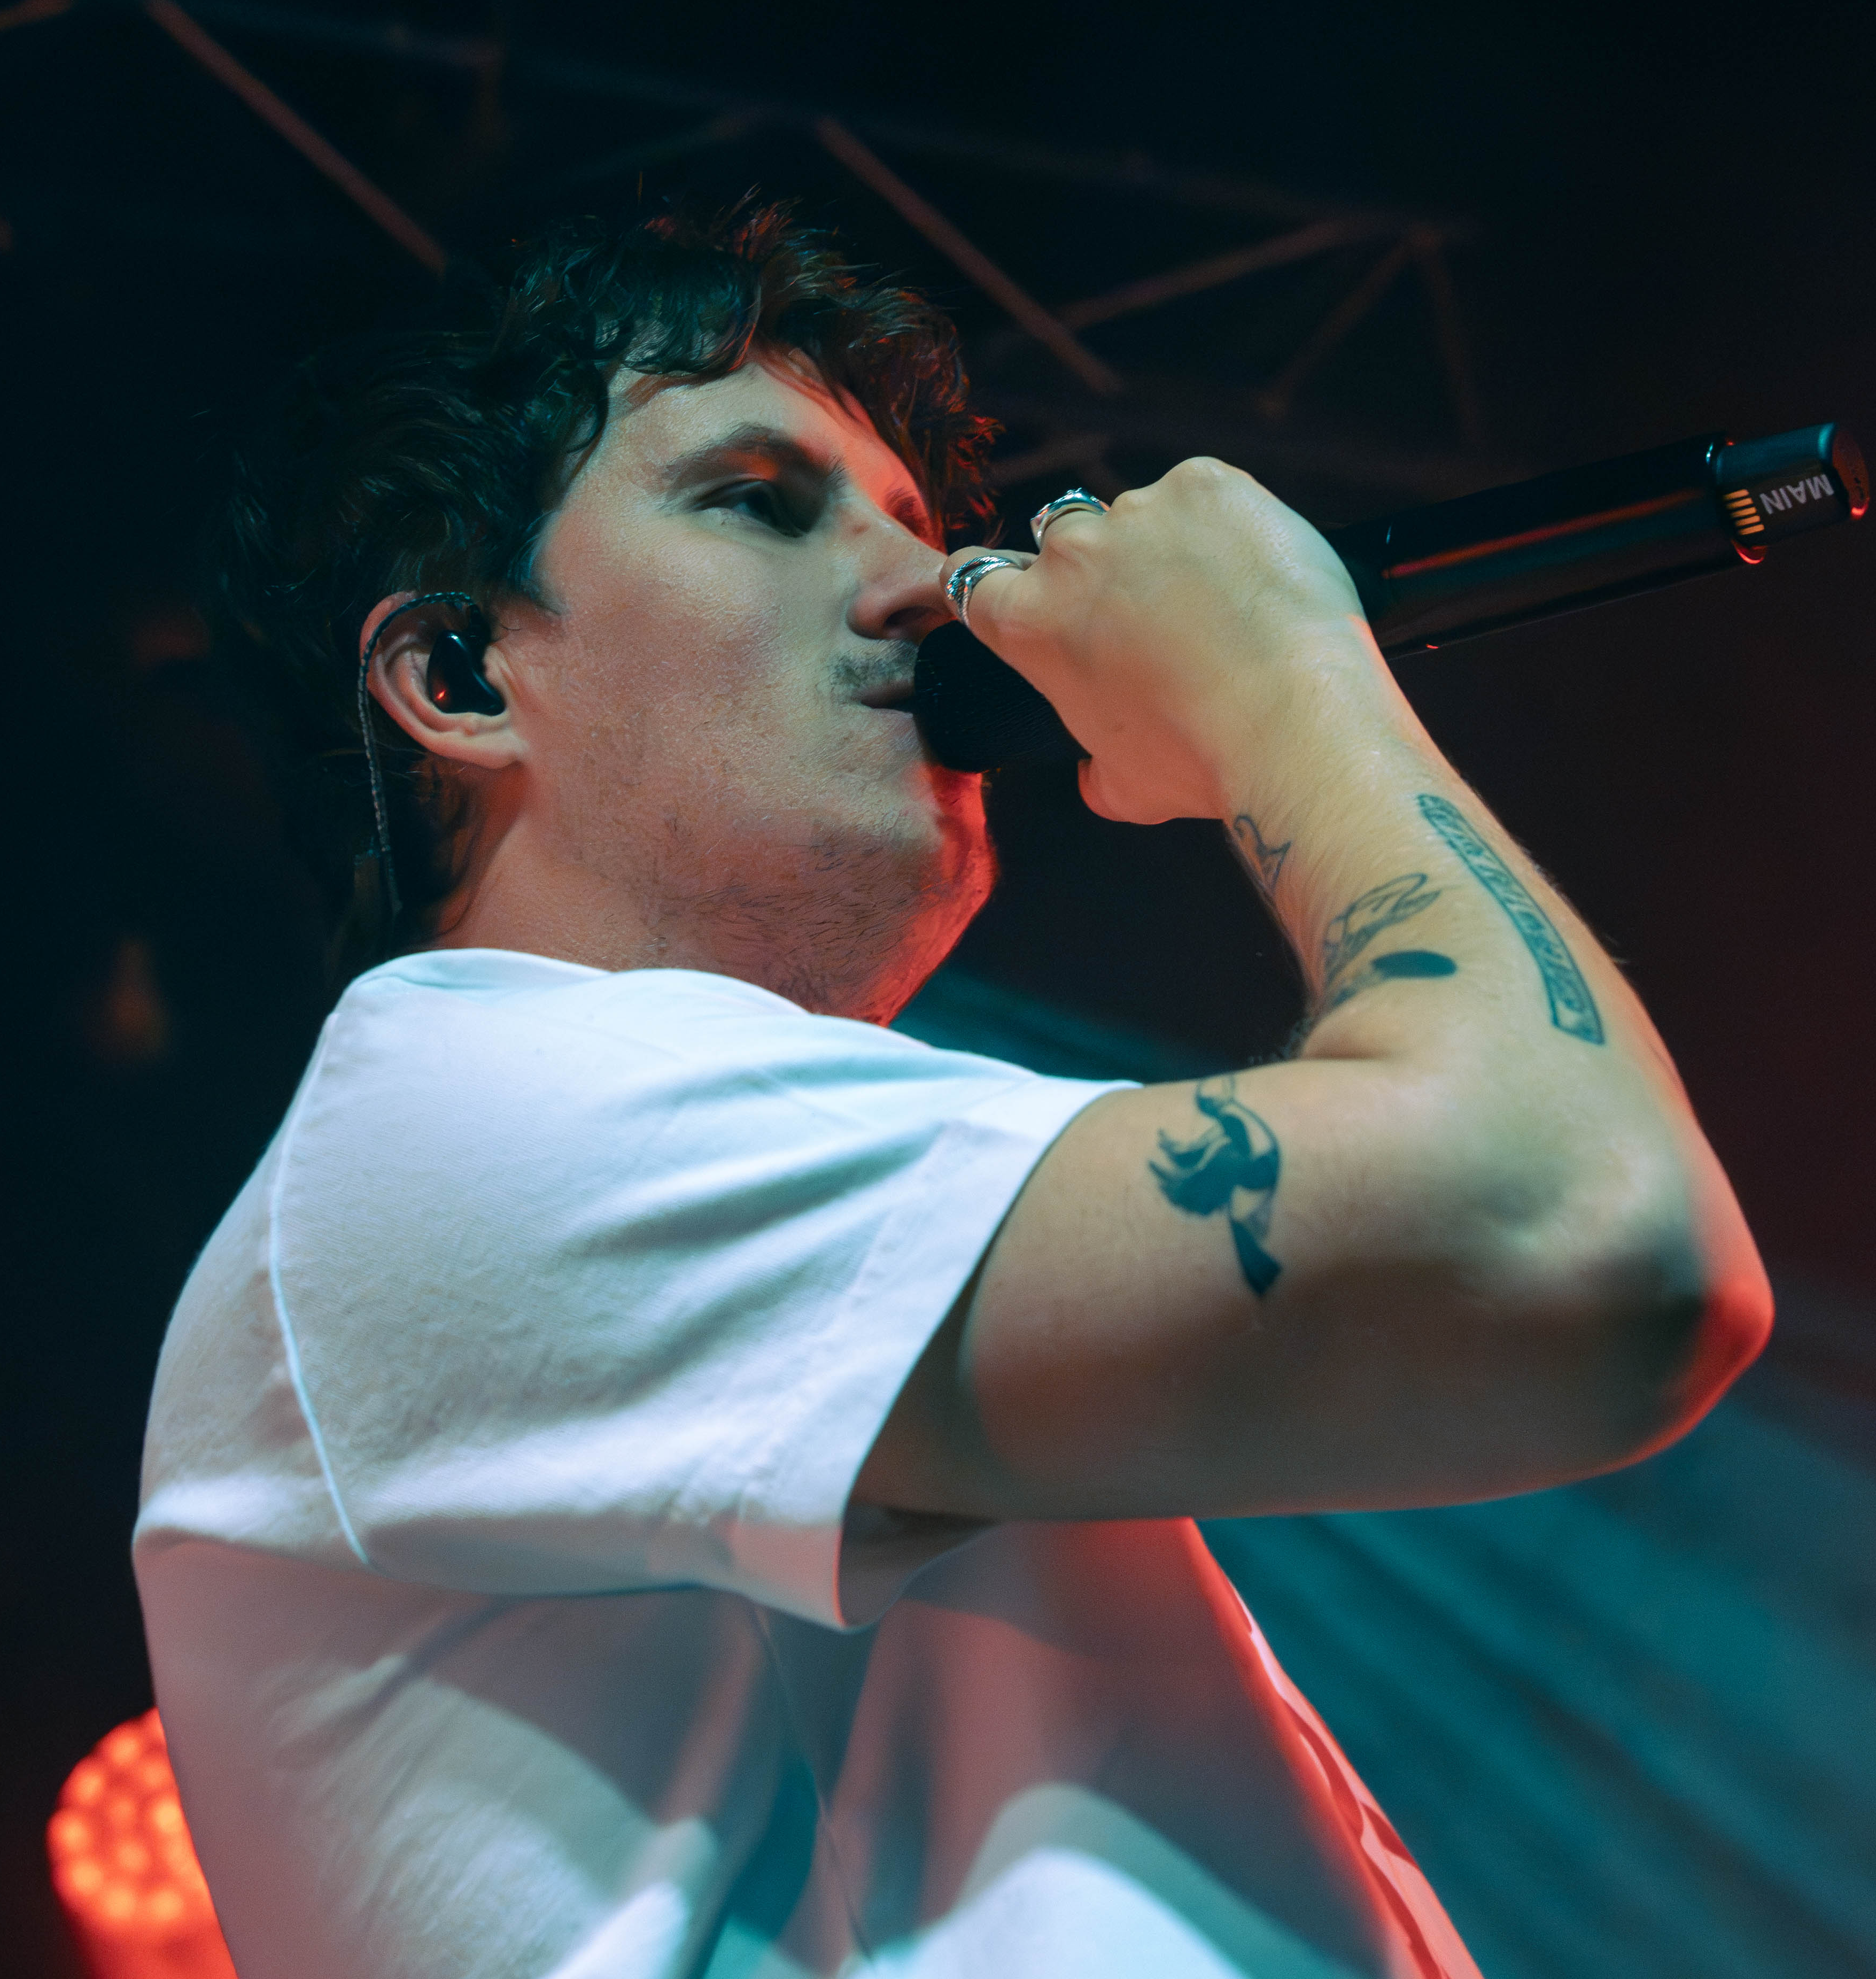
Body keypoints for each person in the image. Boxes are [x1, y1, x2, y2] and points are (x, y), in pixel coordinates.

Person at [135, 202, 1772, 1979]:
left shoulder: (707, 1176)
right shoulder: (461, 1122)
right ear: (457, 676)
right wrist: (1283, 684)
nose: (925, 589)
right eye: (755, 503)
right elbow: (1572, 1237)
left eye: (922, 529)